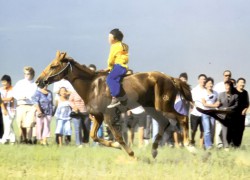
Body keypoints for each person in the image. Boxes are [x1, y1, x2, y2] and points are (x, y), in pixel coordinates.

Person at [13, 66, 37, 144]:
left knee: (29, 124)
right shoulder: (20, 83)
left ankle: (29, 139)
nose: (27, 75)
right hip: (21, 105)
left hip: (31, 105)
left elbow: (35, 95)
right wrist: (19, 97)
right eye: (25, 74)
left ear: (32, 74)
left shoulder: (35, 84)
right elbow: (14, 93)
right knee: (21, 123)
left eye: (29, 74)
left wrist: (28, 97)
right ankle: (23, 138)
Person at [105, 28, 129, 108]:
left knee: (109, 79)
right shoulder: (124, 45)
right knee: (117, 79)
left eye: (109, 37)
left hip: (118, 66)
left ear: (114, 39)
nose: (108, 39)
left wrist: (109, 66)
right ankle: (122, 97)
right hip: (124, 66)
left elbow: (111, 59)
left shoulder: (114, 46)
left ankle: (115, 98)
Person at [228, 78, 249, 147]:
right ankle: (231, 143)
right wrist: (230, 81)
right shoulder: (233, 90)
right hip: (233, 113)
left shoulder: (245, 92)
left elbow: (247, 103)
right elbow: (229, 86)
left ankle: (237, 145)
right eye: (240, 82)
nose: (242, 84)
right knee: (233, 129)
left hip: (242, 114)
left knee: (240, 129)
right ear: (237, 83)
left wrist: (245, 109)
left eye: (243, 82)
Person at [201, 77, 219, 150]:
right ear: (205, 85)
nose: (210, 85)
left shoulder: (215, 93)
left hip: (213, 114)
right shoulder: (203, 93)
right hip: (205, 113)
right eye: (209, 83)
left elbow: (218, 102)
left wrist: (214, 105)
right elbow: (204, 104)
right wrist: (214, 105)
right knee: (207, 129)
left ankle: (208, 144)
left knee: (212, 130)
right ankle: (209, 146)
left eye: (211, 83)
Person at [190, 74, 207, 147]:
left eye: (204, 79)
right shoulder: (194, 90)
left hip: (204, 114)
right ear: (198, 80)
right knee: (193, 130)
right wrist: (193, 106)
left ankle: (201, 145)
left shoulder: (207, 90)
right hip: (195, 113)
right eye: (201, 79)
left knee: (203, 130)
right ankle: (192, 141)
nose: (203, 80)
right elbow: (190, 100)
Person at [0, 75, 16, 144]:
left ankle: (3, 140)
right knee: (7, 124)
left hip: (12, 109)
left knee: (8, 124)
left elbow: (11, 98)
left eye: (4, 82)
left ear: (8, 82)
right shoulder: (1, 89)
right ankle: (13, 140)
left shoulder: (13, 89)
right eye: (2, 82)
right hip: (4, 109)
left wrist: (1, 99)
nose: (3, 83)